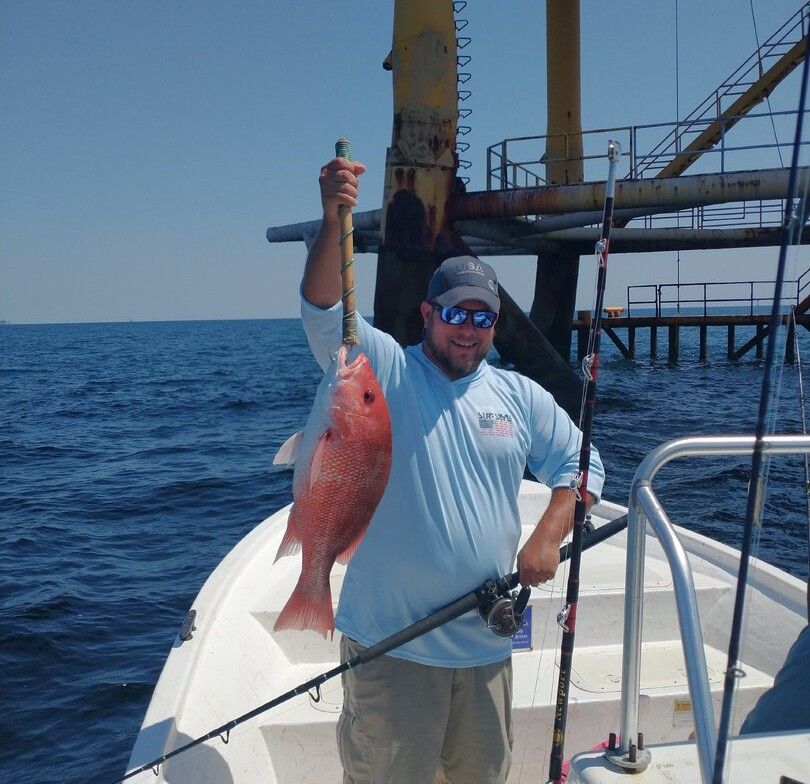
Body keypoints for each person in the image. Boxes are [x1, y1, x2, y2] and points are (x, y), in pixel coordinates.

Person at [299, 155, 605, 784]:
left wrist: (549, 533)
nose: (469, 329)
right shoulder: (385, 369)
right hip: (393, 649)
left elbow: (582, 460)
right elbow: (327, 311)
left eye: (484, 317)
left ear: (495, 324)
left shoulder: (519, 397)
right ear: (427, 314)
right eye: (456, 313)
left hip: (487, 649)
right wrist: (336, 218)